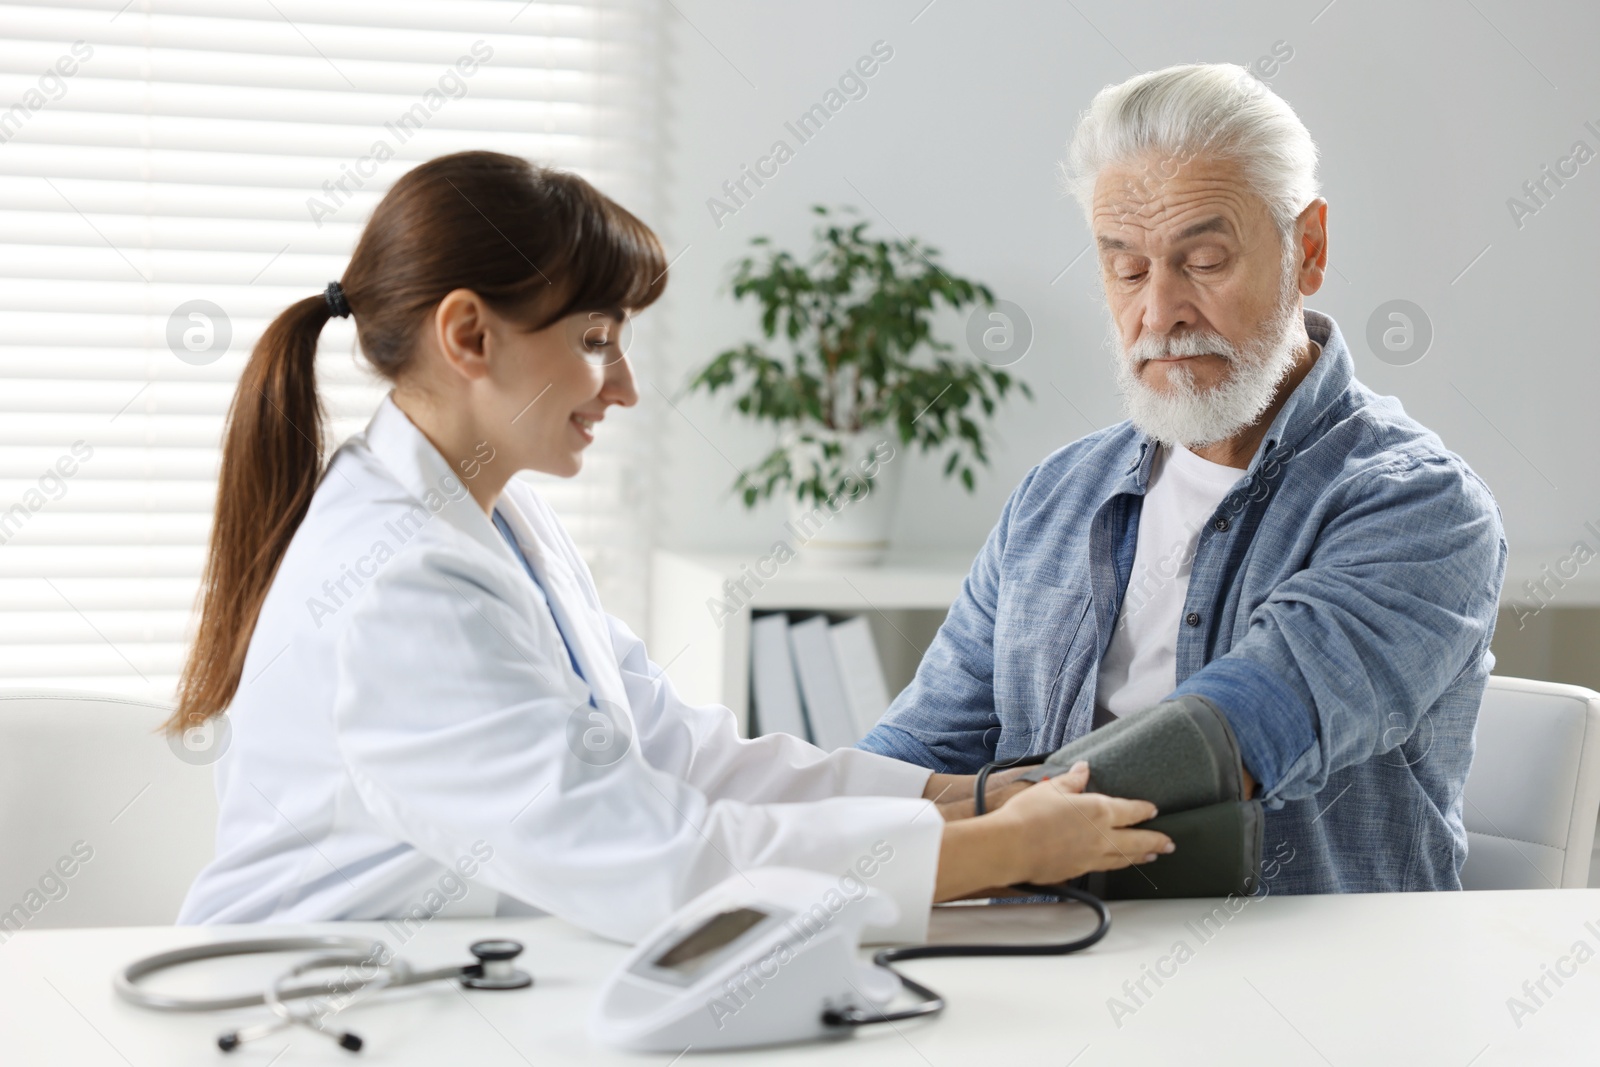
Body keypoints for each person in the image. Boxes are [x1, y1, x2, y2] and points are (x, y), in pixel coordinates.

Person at [174, 151, 1172, 942]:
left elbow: (673, 752)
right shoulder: (400, 579)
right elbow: (660, 865)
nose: (624, 386)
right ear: (469, 336)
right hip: (299, 1003)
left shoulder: (494, 521)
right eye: (597, 338)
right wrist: (994, 853)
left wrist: (956, 794)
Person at [859, 64, 1506, 893]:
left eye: (1202, 260)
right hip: (1051, 966)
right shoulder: (1057, 498)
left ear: (1308, 248)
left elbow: (1226, 743)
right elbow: (911, 757)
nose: (1159, 311)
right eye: (1126, 270)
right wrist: (789, 838)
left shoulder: (1419, 506)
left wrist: (972, 829)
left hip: (1309, 1001)